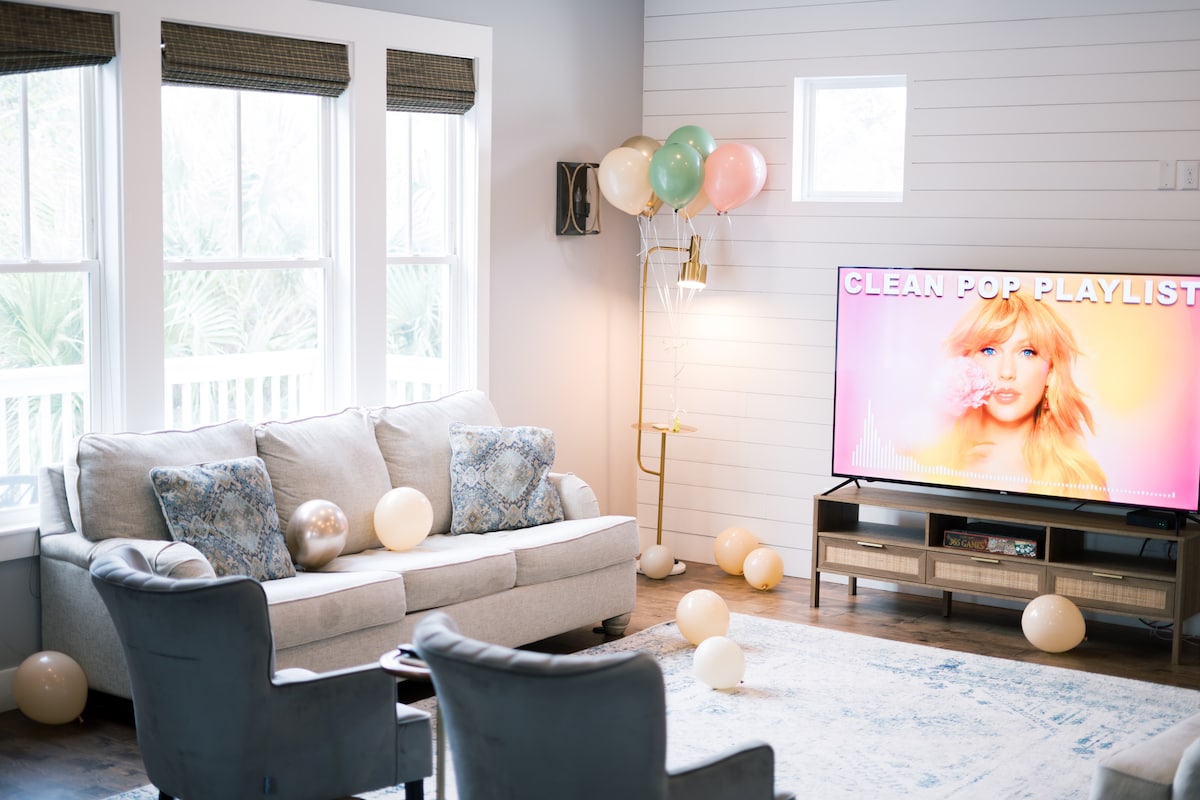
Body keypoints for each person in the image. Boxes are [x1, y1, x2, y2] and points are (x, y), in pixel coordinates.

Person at [911, 292, 1109, 500]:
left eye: (1027, 352)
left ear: (1050, 371)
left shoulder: (1081, 481)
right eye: (989, 350)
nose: (1007, 372)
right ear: (965, 362)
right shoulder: (925, 466)